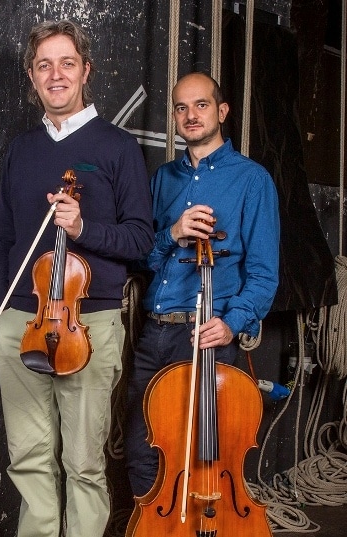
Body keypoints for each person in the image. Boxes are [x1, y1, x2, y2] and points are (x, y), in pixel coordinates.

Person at [0, 20, 154, 537]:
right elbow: (1, 238)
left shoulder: (118, 147)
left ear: (86, 71)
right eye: (44, 65)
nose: (55, 74)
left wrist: (83, 229)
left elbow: (141, 240)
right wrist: (0, 314)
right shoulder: (20, 149)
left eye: (66, 63)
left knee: (83, 463)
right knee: (28, 458)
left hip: (89, 322)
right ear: (32, 76)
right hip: (19, 321)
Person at [124, 72, 280, 497]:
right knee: (141, 452)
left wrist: (232, 324)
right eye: (181, 107)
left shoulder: (252, 180)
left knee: (201, 457)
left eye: (201, 105)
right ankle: (153, 525)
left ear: (222, 111)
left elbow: (264, 273)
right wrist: (172, 233)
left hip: (206, 335)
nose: (191, 115)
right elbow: (139, 257)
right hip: (154, 332)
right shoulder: (162, 179)